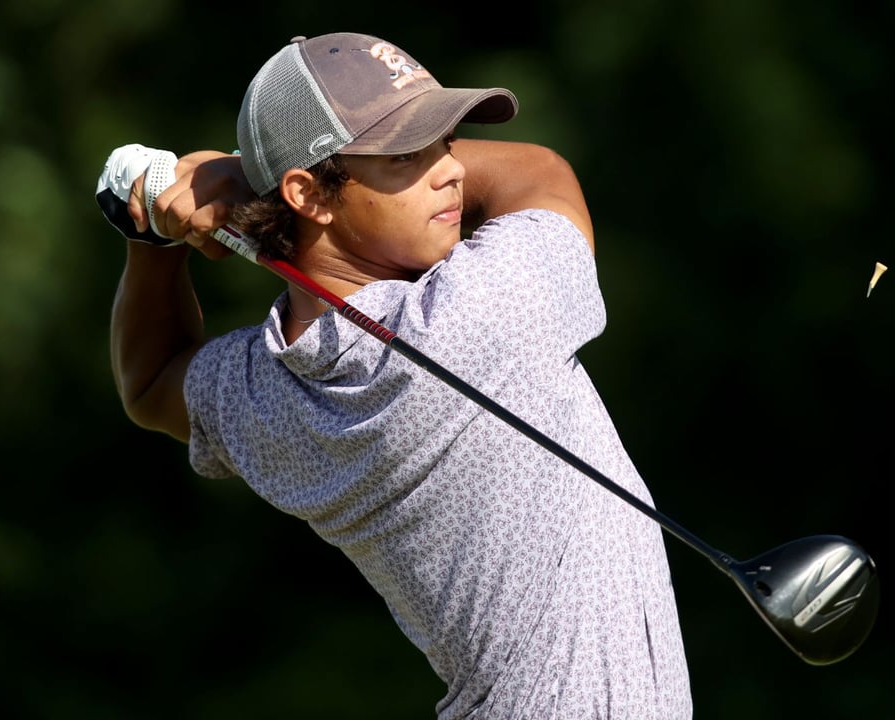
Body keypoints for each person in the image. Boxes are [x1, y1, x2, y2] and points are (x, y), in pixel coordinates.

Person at [101, 32, 693, 718]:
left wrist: (151, 241)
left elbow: (149, 382)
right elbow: (541, 173)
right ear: (311, 194)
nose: (452, 171)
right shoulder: (480, 316)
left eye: (444, 142)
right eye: (406, 154)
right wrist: (241, 171)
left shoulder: (268, 392)